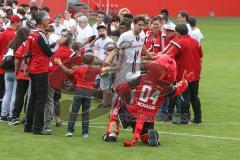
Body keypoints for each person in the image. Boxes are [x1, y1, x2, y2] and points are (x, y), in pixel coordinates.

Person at [103, 54, 194, 147]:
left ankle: (111, 134)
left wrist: (119, 89)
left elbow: (122, 88)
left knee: (116, 110)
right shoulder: (167, 87)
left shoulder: (142, 78)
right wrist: (185, 81)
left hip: (132, 113)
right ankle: (150, 136)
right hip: (148, 118)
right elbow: (177, 90)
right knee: (144, 133)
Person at [53, 50, 119, 137]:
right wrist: (116, 68)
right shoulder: (95, 70)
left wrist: (60, 63)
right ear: (92, 61)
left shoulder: (80, 68)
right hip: (88, 92)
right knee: (85, 112)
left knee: (74, 112)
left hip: (79, 91)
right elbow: (106, 69)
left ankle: (70, 131)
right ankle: (85, 132)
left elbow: (68, 71)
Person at [24, 11, 65, 135]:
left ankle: (28, 125)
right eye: (47, 19)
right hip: (41, 69)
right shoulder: (40, 34)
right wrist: (57, 44)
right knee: (41, 99)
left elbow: (41, 49)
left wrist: (54, 44)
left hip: (34, 68)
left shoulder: (32, 33)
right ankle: (37, 127)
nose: (49, 20)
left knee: (32, 98)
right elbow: (49, 52)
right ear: (42, 20)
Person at [167, 24, 203, 124]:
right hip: (195, 74)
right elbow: (200, 57)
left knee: (184, 96)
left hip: (184, 75)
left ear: (178, 32)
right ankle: (198, 118)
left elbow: (170, 56)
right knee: (194, 96)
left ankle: (184, 119)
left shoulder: (179, 43)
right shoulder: (196, 42)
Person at [0, 14, 23, 122]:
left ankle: (3, 114)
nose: (21, 23)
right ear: (15, 22)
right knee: (14, 93)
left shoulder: (3, 33)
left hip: (4, 65)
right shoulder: (17, 34)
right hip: (15, 65)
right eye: (19, 22)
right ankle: (10, 115)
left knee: (6, 92)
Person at [10, 27, 30, 125]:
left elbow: (17, 57)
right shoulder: (32, 43)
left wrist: (16, 69)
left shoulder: (23, 44)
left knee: (19, 95)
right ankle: (27, 117)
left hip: (22, 73)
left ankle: (15, 117)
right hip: (32, 73)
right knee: (29, 97)